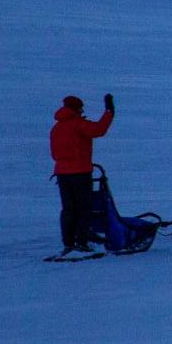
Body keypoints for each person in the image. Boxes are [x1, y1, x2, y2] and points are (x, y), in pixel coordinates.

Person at [50, 93, 114, 253]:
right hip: (80, 173)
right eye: (81, 107)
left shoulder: (56, 128)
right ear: (76, 108)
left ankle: (68, 242)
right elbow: (99, 130)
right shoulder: (77, 124)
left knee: (68, 209)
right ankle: (82, 241)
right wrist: (109, 112)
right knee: (84, 207)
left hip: (62, 174)